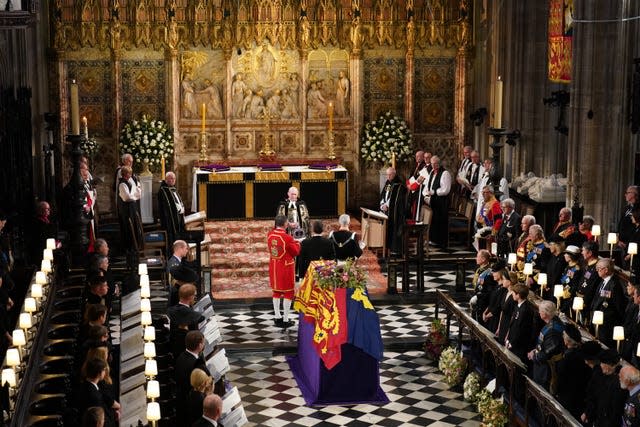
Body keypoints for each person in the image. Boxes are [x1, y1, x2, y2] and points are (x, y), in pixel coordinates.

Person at [267, 215, 301, 329]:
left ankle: (277, 317)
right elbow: (295, 251)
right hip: (285, 268)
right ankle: (285, 319)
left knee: (276, 292)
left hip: (274, 266)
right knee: (288, 293)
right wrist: (297, 243)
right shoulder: (287, 238)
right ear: (286, 224)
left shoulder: (270, 234)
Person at [554, 323, 590, 419]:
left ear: (566, 342)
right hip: (580, 399)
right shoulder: (583, 355)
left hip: (567, 399)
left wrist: (556, 392)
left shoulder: (566, 359)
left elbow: (560, 380)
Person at [527, 300, 565, 390]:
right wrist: (535, 350)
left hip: (546, 370)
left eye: (540, 310)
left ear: (545, 313)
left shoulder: (553, 330)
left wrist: (534, 356)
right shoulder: (551, 323)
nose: (539, 312)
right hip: (542, 364)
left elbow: (548, 353)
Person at [175, 331, 209, 426]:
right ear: (199, 346)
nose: (204, 344)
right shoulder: (197, 365)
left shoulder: (181, 356)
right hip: (192, 407)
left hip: (181, 401)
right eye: (203, 342)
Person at [590, 258, 627, 347]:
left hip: (607, 326)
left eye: (599, 268)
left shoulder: (614, 284)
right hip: (599, 322)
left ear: (606, 270)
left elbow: (619, 307)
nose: (597, 270)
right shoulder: (603, 281)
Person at [74, 358, 120, 427]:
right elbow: (101, 419)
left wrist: (113, 413)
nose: (105, 372)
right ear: (99, 373)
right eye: (104, 370)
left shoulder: (87, 384)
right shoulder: (94, 396)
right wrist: (114, 417)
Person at [422, 155, 451, 246]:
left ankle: (440, 241)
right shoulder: (431, 172)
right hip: (433, 200)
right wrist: (426, 193)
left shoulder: (445, 173)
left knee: (439, 221)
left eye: (435, 164)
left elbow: (446, 189)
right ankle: (432, 239)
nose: (433, 166)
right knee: (433, 220)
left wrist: (434, 192)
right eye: (432, 164)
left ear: (439, 163)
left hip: (441, 202)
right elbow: (428, 185)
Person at [168, 284, 205, 356]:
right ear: (190, 297)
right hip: (187, 351)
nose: (195, 298)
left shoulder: (172, 310)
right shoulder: (191, 315)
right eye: (194, 295)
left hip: (174, 347)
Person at [505, 284, 535, 362]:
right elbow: (513, 324)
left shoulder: (525, 310)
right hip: (512, 341)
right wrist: (508, 338)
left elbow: (520, 329)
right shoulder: (518, 305)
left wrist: (512, 343)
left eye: (514, 293)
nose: (512, 294)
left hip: (518, 345)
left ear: (518, 295)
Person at [380, 167, 406, 253]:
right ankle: (387, 245)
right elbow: (384, 194)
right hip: (386, 209)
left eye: (389, 175)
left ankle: (394, 248)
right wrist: (382, 204)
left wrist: (387, 205)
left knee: (394, 228)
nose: (388, 176)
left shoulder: (398, 185)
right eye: (387, 174)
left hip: (395, 212)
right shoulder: (388, 183)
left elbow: (395, 199)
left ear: (394, 174)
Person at [117, 165, 142, 255]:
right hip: (126, 209)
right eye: (129, 173)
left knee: (134, 226)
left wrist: (134, 196)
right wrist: (134, 196)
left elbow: (139, 194)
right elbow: (126, 197)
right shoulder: (122, 184)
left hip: (132, 207)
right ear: (125, 174)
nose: (131, 175)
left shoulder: (130, 182)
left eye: (131, 173)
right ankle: (130, 248)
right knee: (128, 227)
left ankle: (135, 247)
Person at [469, 250, 497, 325]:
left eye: (478, 257)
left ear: (484, 259)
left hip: (483, 303)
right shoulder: (479, 269)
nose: (476, 258)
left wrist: (478, 296)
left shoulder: (489, 273)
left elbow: (489, 291)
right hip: (478, 300)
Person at [158, 171, 186, 245]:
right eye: (171, 178)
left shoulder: (172, 188)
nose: (173, 180)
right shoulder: (164, 190)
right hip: (169, 220)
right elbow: (168, 207)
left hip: (178, 216)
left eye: (174, 178)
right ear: (166, 179)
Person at [577, 240, 600, 323]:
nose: (582, 253)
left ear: (590, 253)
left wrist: (585, 301)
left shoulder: (596, 268)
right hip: (580, 300)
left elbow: (592, 287)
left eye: (583, 250)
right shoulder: (589, 265)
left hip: (587, 303)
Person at [473, 186, 503, 251]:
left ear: (490, 193)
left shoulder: (495, 204)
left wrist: (493, 233)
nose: (482, 194)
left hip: (489, 231)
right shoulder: (486, 202)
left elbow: (499, 219)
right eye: (482, 192)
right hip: (481, 228)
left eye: (485, 192)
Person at [406, 150, 427, 222]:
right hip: (412, 189)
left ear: (423, 157)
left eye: (418, 156)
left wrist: (412, 186)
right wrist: (408, 184)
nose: (416, 157)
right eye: (416, 156)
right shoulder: (415, 165)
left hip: (418, 191)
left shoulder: (424, 167)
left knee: (415, 208)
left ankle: (415, 223)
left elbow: (419, 179)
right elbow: (411, 177)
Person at [619, 186, 640, 251]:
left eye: (627, 193)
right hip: (621, 243)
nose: (625, 195)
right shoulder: (626, 208)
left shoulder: (638, 209)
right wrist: (618, 239)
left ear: (634, 194)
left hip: (633, 244)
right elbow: (621, 223)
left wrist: (629, 243)